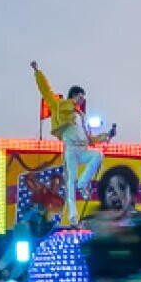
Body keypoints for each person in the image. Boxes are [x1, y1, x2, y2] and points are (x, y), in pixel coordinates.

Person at [31, 60, 114, 225]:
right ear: (73, 95)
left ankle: (83, 184)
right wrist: (37, 72)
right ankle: (73, 218)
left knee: (98, 156)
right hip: (71, 150)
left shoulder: (82, 116)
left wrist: (107, 135)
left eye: (83, 98)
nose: (81, 100)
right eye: (80, 97)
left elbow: (90, 139)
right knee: (70, 182)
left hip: (83, 148)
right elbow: (46, 92)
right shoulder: (60, 106)